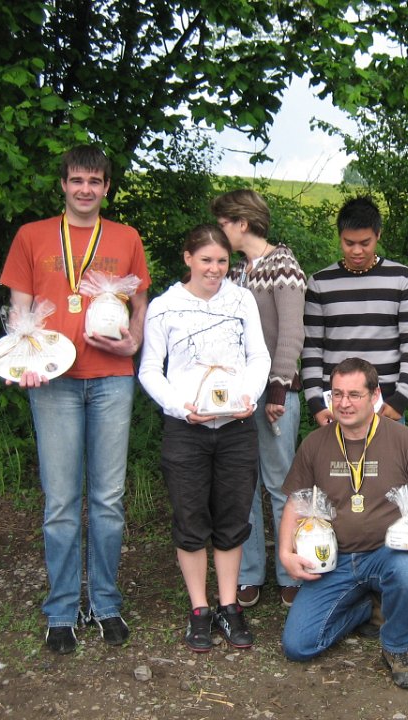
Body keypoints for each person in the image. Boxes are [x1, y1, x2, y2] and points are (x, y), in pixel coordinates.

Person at [0, 145, 151, 654]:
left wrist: (134, 340)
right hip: (54, 382)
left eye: (95, 181)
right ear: (63, 184)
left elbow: (140, 300)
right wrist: (22, 360)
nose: (86, 189)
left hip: (112, 379)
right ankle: (62, 608)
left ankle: (105, 602)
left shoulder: (127, 237)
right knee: (61, 502)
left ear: (106, 187)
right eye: (77, 180)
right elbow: (20, 309)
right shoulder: (32, 235)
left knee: (108, 500)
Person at [278, 357, 408, 688]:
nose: (344, 403)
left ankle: (397, 647)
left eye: (354, 394)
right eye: (337, 394)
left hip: (388, 554)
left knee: (407, 571)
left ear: (375, 395)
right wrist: (286, 552)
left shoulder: (405, 440)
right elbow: (295, 502)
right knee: (298, 646)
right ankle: (365, 608)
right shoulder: (315, 443)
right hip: (334, 560)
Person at [139, 225, 270, 653]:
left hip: (235, 428)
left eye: (222, 261)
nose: (215, 269)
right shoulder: (164, 307)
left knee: (233, 517)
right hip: (187, 430)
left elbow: (259, 356)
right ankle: (199, 608)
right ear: (188, 258)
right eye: (206, 260)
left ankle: (229, 606)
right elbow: (149, 370)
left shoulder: (242, 300)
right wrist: (179, 407)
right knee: (190, 518)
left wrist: (248, 395)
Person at [211, 189, 307, 609]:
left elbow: (291, 332)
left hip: (275, 395)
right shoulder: (233, 272)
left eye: (223, 223)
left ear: (242, 223)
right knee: (242, 483)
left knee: (281, 482)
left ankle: (290, 571)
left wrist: (278, 388)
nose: (219, 231)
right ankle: (249, 572)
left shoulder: (283, 265)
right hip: (237, 396)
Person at [301, 197, 408, 425]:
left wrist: (401, 399)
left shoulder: (403, 279)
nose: (357, 251)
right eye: (349, 243)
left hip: (386, 405)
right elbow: (312, 348)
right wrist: (316, 403)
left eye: (365, 243)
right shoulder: (319, 283)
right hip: (337, 405)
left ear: (378, 235)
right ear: (339, 237)